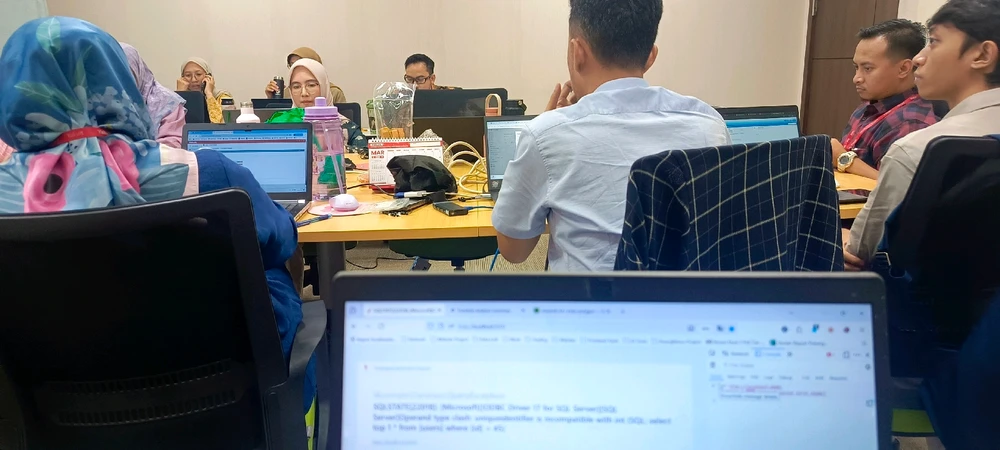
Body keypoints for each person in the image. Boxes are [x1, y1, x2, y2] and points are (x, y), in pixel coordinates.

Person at [0, 17, 315, 412]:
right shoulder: (208, 173)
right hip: (216, 393)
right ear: (118, 79)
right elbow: (282, 239)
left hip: (53, 407)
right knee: (272, 266)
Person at [491, 0, 730, 272]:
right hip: (687, 299)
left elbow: (514, 250)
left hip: (590, 299)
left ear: (577, 53)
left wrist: (544, 136)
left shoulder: (546, 135)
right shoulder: (710, 126)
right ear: (651, 57)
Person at [844, 0, 1000, 270]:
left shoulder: (917, 149)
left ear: (982, 55)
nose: (919, 58)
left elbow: (863, 252)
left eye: (934, 42)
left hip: (923, 294)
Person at [833, 19, 939, 180]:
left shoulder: (911, 123)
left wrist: (844, 159)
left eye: (867, 68)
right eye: (856, 67)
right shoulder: (868, 107)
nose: (857, 78)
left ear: (903, 68)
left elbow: (897, 187)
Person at [266, 58, 367, 152]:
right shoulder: (282, 125)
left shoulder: (344, 127)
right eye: (296, 87)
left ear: (324, 86)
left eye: (311, 85)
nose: (304, 93)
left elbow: (366, 153)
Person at [120, 43, 187, 147]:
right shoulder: (102, 100)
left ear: (137, 69)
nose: (118, 80)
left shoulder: (168, 102)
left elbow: (171, 145)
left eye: (124, 74)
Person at [264, 47, 346, 103]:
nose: (304, 93)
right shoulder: (287, 93)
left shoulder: (334, 93)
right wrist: (272, 99)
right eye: (292, 64)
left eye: (311, 85)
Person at [177, 57, 232, 124]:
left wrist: (209, 94)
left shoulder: (223, 97)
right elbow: (172, 126)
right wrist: (179, 95)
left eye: (198, 74)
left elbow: (222, 124)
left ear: (209, 76)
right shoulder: (179, 99)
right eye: (188, 75)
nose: (193, 80)